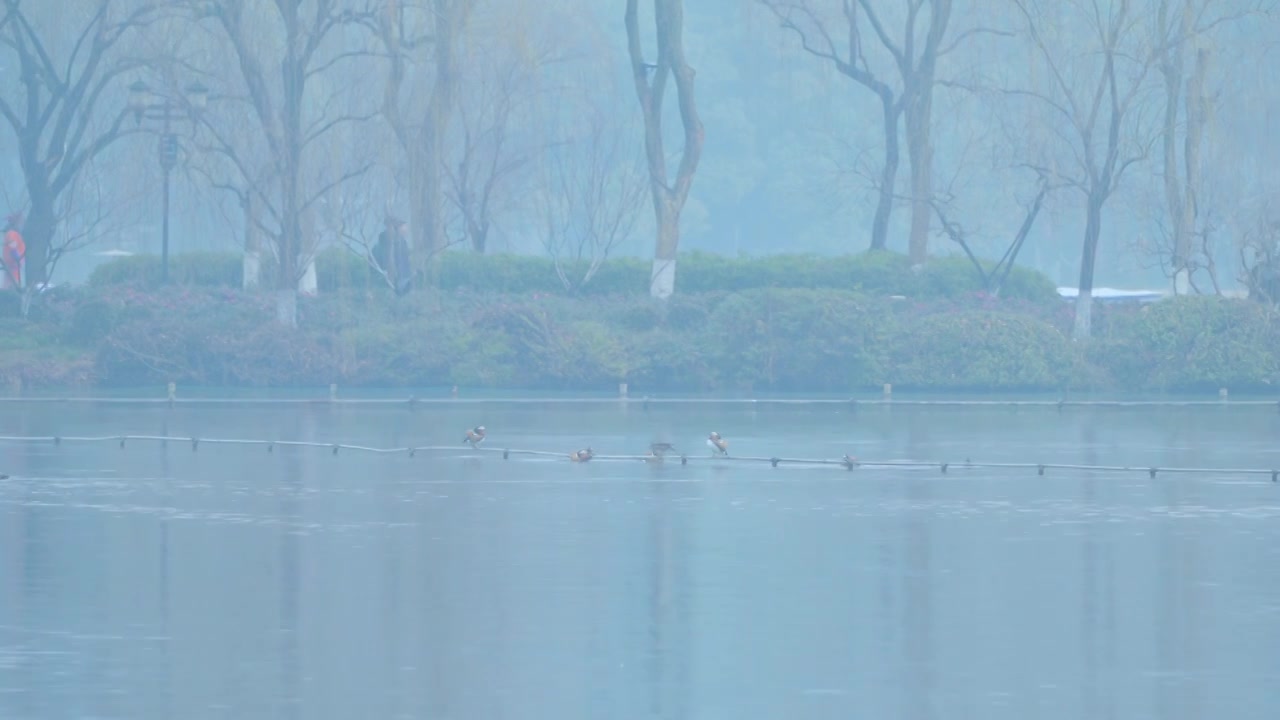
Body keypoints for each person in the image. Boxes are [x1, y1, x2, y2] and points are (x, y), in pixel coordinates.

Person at [373, 215, 413, 295]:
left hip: (403, 280)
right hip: (385, 283)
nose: (405, 230)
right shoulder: (380, 246)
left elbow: (405, 263)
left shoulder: (402, 243)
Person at [2, 213, 25, 291]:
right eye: (21, 222)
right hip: (13, 266)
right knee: (11, 286)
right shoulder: (12, 233)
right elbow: (13, 247)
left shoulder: (14, 234)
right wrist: (18, 259)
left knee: (10, 285)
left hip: (13, 266)